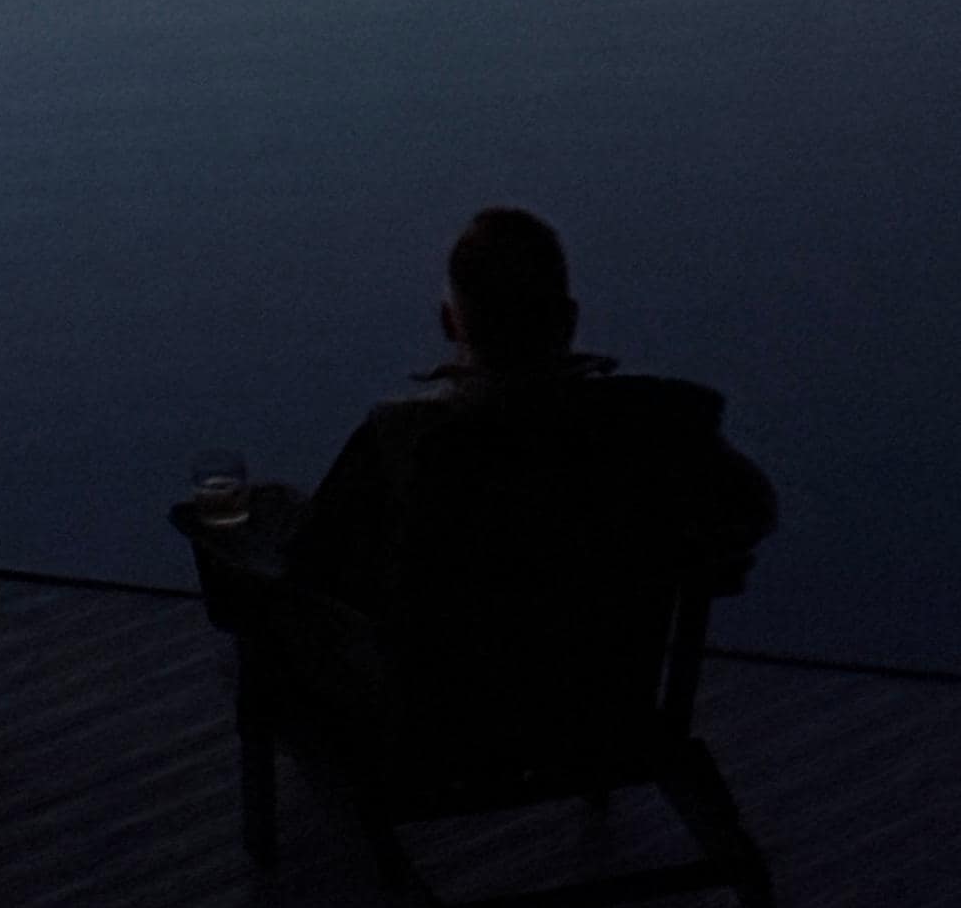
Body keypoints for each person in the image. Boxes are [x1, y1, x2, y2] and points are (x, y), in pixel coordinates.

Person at [283, 206, 776, 625]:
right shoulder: (658, 429)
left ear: (450, 321)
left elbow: (313, 567)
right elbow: (750, 511)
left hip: (434, 706)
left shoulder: (400, 441)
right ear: (569, 318)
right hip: (602, 701)